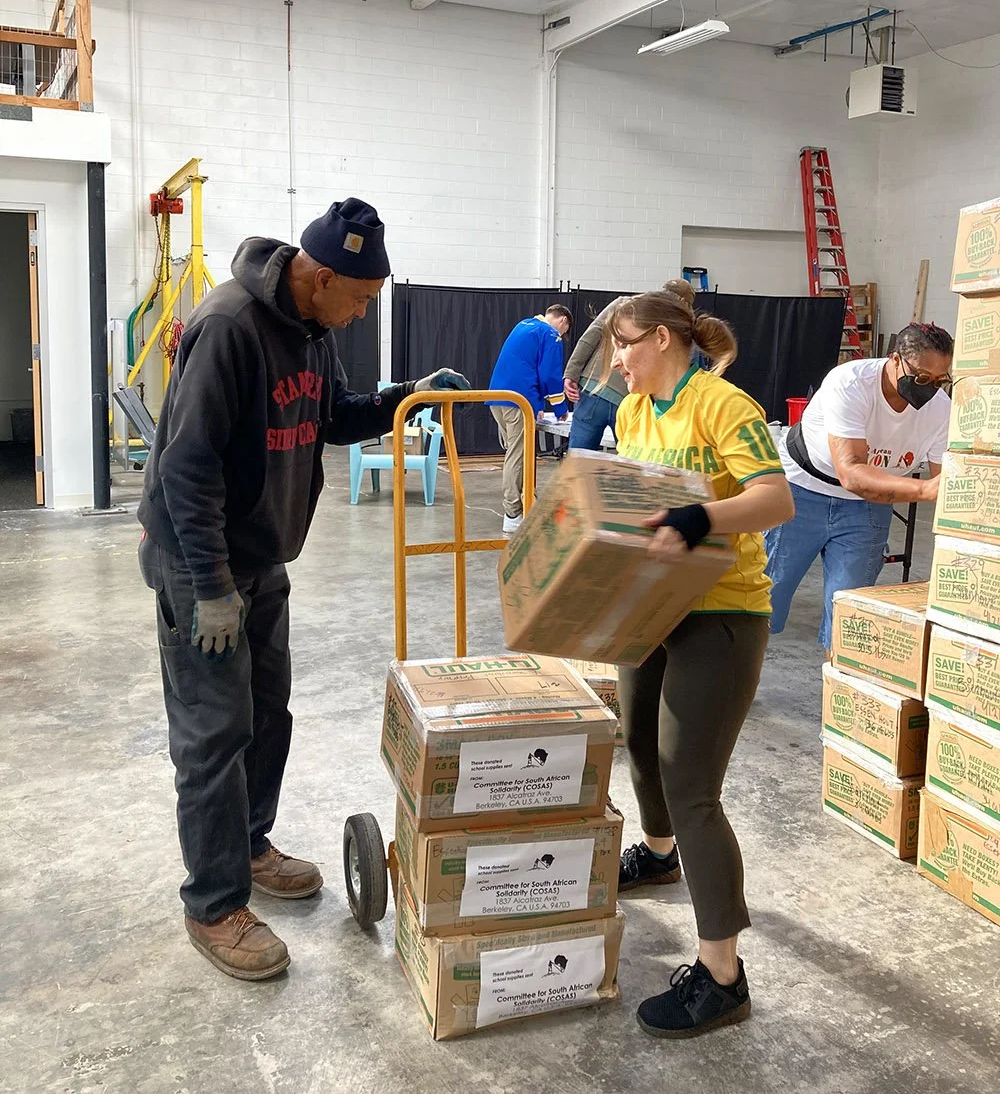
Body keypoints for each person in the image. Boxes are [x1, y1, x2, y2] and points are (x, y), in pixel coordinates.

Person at [137, 197, 468, 981]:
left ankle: (248, 846)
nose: (360, 314)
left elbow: (332, 416)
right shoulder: (227, 327)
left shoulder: (314, 333)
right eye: (358, 299)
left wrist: (406, 397)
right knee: (215, 732)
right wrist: (212, 586)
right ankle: (213, 904)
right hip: (200, 561)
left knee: (267, 711)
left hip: (260, 557)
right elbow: (185, 466)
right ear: (320, 276)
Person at [606, 290, 794, 1038]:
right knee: (639, 741)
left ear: (658, 338)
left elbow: (774, 499)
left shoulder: (722, 404)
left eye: (622, 344)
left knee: (693, 788)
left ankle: (722, 975)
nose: (615, 361)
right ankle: (657, 857)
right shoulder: (631, 414)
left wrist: (702, 516)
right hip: (653, 605)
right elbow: (630, 501)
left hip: (722, 611)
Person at [765, 322, 953, 649]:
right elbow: (851, 472)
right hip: (802, 490)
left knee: (850, 614)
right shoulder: (851, 382)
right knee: (765, 599)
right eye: (922, 378)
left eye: (940, 381)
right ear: (895, 360)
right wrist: (924, 490)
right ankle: (733, 685)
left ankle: (843, 690)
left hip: (870, 502)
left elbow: (946, 481)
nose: (930, 388)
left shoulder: (939, 409)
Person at [564, 279, 717, 451]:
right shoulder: (679, 324)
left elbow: (591, 335)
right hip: (632, 398)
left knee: (578, 462)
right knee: (633, 462)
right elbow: (690, 371)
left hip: (593, 387)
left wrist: (571, 373)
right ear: (684, 302)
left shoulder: (623, 304)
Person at [487, 304, 572, 533]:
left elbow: (523, 366)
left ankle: (527, 504)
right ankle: (513, 513)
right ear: (563, 321)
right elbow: (549, 375)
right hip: (517, 401)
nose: (562, 337)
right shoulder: (551, 334)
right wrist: (560, 406)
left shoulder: (524, 325)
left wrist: (535, 405)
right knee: (518, 455)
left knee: (518, 453)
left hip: (498, 397)